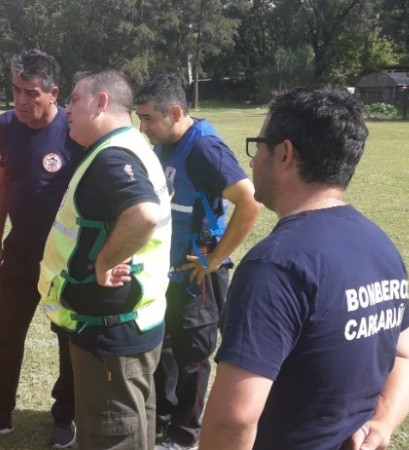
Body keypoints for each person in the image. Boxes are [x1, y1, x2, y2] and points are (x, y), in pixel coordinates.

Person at [199, 86, 409, 450]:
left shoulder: (273, 266)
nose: (253, 161)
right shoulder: (379, 245)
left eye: (259, 146)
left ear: (285, 153)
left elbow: (233, 419)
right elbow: (408, 353)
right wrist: (382, 422)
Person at [37, 69, 172, 450]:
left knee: (112, 434)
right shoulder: (129, 146)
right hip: (132, 323)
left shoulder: (113, 157)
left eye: (75, 99)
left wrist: (102, 264)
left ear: (101, 103)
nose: (66, 109)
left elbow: (143, 213)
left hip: (111, 334)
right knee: (134, 427)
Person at [0, 49, 82, 448]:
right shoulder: (5, 126)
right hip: (19, 253)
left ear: (54, 93)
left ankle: (66, 417)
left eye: (32, 93)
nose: (22, 101)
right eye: (16, 90)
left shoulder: (74, 129)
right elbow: (1, 187)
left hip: (65, 259)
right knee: (6, 335)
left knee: (68, 341)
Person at [134, 74, 262, 450]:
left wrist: (215, 257)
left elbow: (250, 201)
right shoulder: (165, 142)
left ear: (175, 113)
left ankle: (186, 434)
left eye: (148, 119)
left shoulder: (204, 148)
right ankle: (164, 415)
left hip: (197, 274)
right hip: (167, 270)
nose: (142, 128)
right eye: (139, 118)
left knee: (192, 355)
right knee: (168, 347)